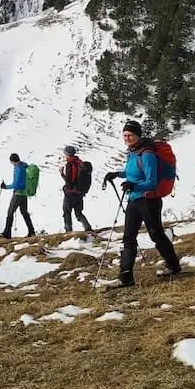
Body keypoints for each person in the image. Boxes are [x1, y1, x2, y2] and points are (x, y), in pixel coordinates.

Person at [100, 120, 181, 288]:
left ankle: (173, 266)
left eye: (130, 135)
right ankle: (125, 278)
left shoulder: (147, 154)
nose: (127, 138)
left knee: (156, 234)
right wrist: (117, 174)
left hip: (149, 200)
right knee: (128, 238)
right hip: (134, 200)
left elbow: (152, 181)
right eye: (124, 136)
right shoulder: (133, 152)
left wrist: (134, 185)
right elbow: (133, 173)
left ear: (138, 135)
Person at [0, 153, 35, 238]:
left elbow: (16, 184)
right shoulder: (24, 166)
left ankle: (6, 233)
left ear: (13, 161)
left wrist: (6, 187)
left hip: (18, 194)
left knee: (10, 212)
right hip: (24, 193)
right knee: (24, 212)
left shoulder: (18, 169)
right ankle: (31, 231)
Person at [60, 145, 93, 233]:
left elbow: (69, 181)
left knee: (67, 212)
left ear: (68, 154)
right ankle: (87, 227)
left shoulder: (70, 164)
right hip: (80, 192)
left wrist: (62, 174)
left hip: (71, 193)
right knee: (78, 212)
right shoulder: (80, 162)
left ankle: (68, 231)